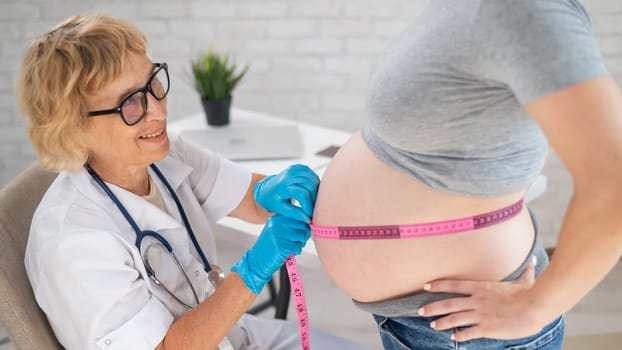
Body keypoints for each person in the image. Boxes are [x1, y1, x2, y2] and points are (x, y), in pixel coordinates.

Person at [18, 14, 365, 350]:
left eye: (152, 83)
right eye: (130, 103)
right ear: (73, 126)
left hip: (231, 334)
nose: (158, 109)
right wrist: (251, 271)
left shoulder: (164, 157)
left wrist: (271, 192)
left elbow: (248, 196)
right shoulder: (74, 244)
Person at [311, 0, 622, 349]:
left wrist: (535, 308)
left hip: (468, 330)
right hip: (418, 322)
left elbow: (614, 179)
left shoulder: (529, 11)